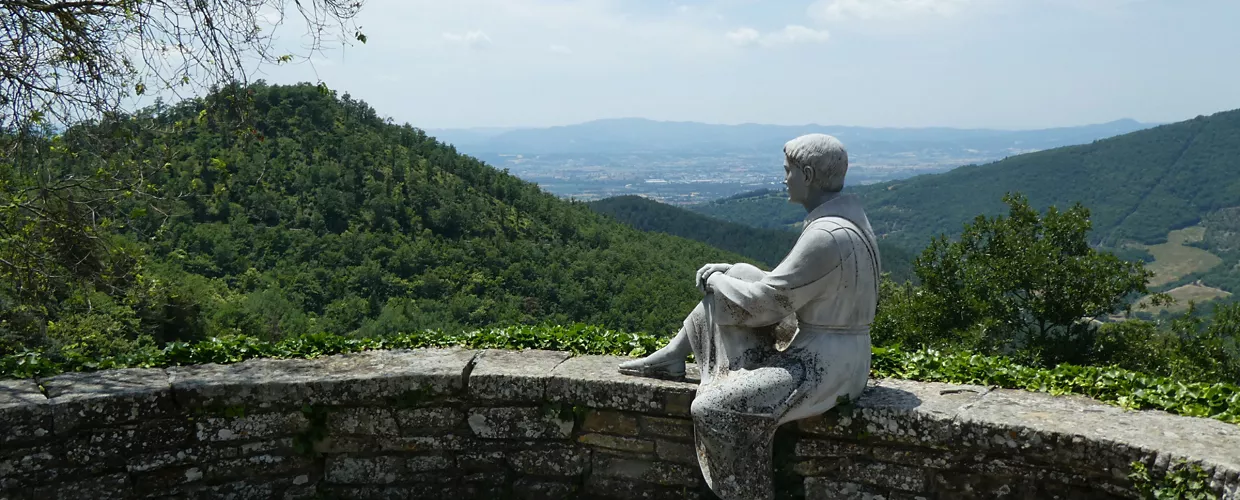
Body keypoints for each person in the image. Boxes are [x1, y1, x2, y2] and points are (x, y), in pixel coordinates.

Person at [617, 133, 881, 500]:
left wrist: (716, 280)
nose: (783, 178)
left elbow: (768, 303)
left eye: (788, 170)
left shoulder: (826, 236)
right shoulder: (848, 219)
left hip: (828, 365)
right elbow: (794, 287)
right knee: (740, 273)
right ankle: (675, 354)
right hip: (842, 348)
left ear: (807, 174)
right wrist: (734, 273)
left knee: (713, 407)